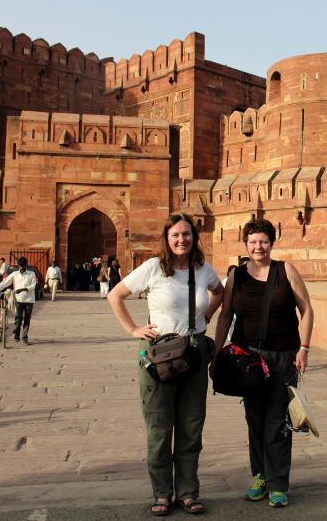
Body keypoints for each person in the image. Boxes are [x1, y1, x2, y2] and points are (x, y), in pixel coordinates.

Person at [107, 213, 224, 517]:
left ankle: (187, 492)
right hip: (159, 353)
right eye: (175, 235)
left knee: (191, 426)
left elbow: (219, 292)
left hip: (194, 351)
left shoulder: (202, 269)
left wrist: (206, 317)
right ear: (167, 238)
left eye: (186, 234)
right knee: (159, 427)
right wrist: (134, 329)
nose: (181, 240)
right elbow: (115, 295)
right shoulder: (153, 268)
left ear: (193, 238)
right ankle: (162, 493)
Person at [212, 218, 314, 508]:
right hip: (248, 359)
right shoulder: (237, 276)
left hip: (283, 357)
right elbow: (224, 315)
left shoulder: (286, 270)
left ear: (272, 243)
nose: (259, 247)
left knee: (277, 421)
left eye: (264, 241)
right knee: (254, 420)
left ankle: (279, 483)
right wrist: (218, 352)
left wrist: (304, 347)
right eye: (253, 242)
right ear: (246, 244)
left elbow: (306, 310)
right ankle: (260, 477)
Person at [0, 256, 36, 345]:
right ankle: (16, 333)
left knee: (27, 319)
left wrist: (23, 289)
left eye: (23, 266)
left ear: (26, 265)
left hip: (29, 300)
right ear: (18, 266)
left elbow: (33, 286)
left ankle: (24, 338)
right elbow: (5, 282)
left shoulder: (32, 274)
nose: (21, 268)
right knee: (18, 318)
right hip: (18, 299)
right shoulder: (15, 274)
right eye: (20, 266)